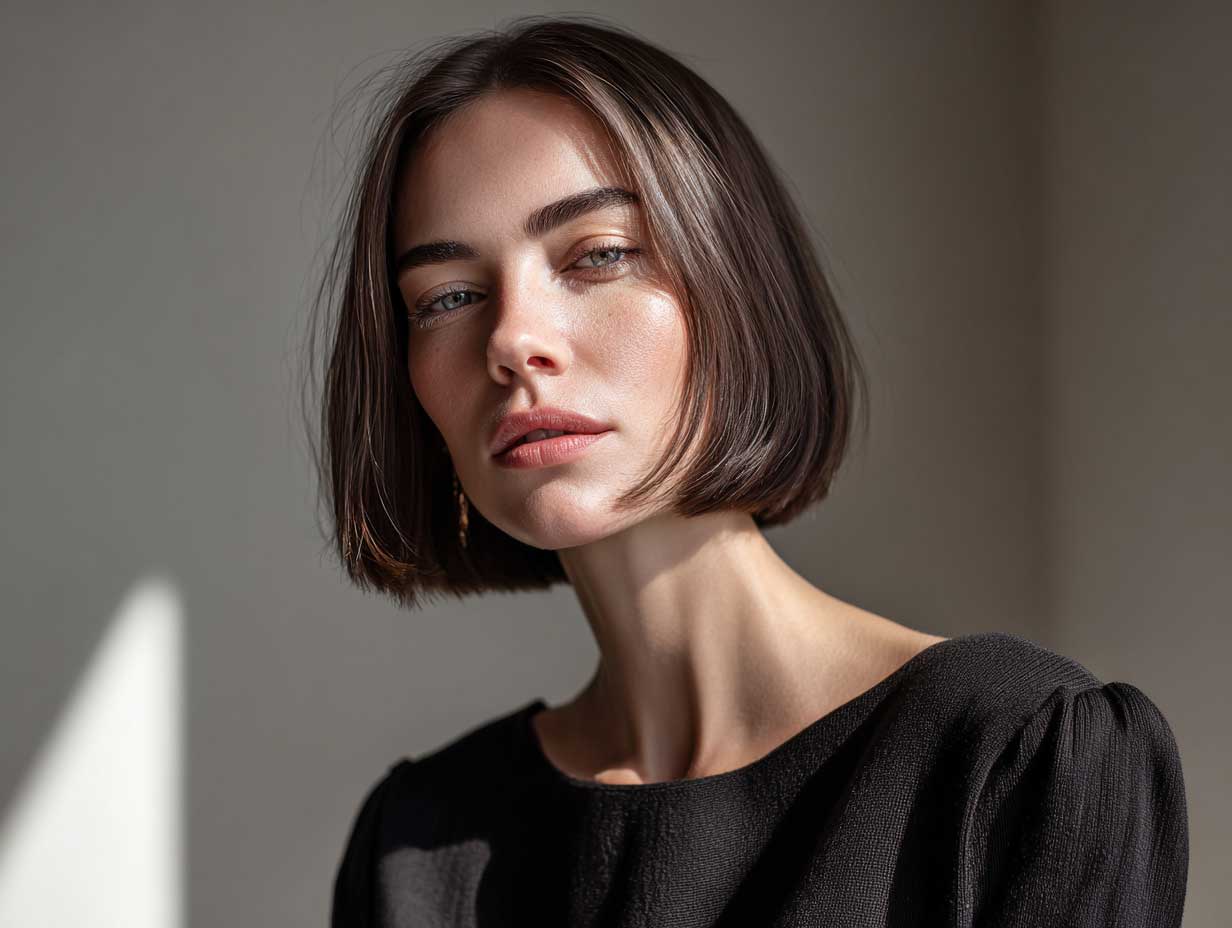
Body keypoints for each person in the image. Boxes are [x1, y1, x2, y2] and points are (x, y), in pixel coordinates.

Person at [312, 14, 1189, 927]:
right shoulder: (416, 848)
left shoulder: (1015, 756)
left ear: (734, 284)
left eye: (600, 254)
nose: (512, 340)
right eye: (447, 297)